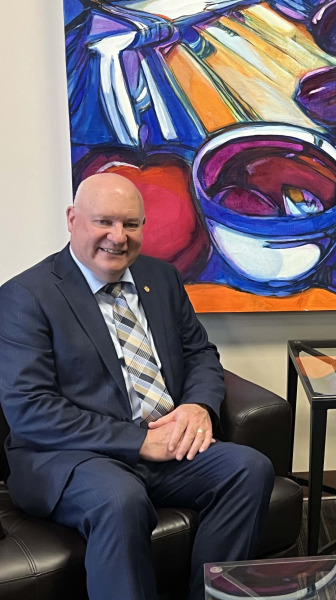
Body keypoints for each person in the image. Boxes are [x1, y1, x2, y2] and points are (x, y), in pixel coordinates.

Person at [0, 173, 275, 600]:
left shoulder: (161, 278)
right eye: (104, 222)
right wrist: (139, 441)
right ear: (72, 220)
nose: (118, 236)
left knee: (249, 469)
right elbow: (30, 409)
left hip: (166, 445)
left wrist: (199, 406)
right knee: (120, 498)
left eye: (131, 224)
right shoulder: (25, 296)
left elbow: (200, 353)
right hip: (70, 457)